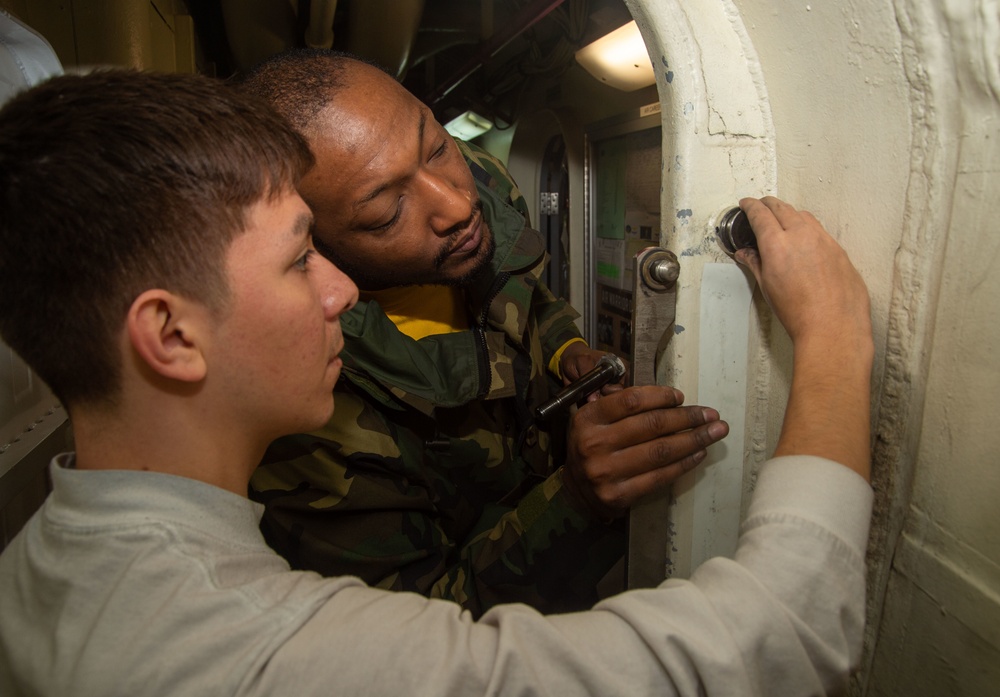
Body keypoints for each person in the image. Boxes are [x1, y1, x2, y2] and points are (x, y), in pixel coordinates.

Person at [0, 69, 875, 697]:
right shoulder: (278, 657)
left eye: (435, 145)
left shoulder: (41, 570)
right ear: (170, 335)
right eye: (306, 257)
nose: (341, 293)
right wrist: (833, 335)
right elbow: (785, 643)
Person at [240, 51, 729, 616]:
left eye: (437, 145)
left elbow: (522, 290)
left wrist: (564, 348)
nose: (457, 203)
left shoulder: (480, 182)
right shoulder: (307, 424)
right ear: (314, 244)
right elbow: (415, 638)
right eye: (386, 212)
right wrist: (573, 499)